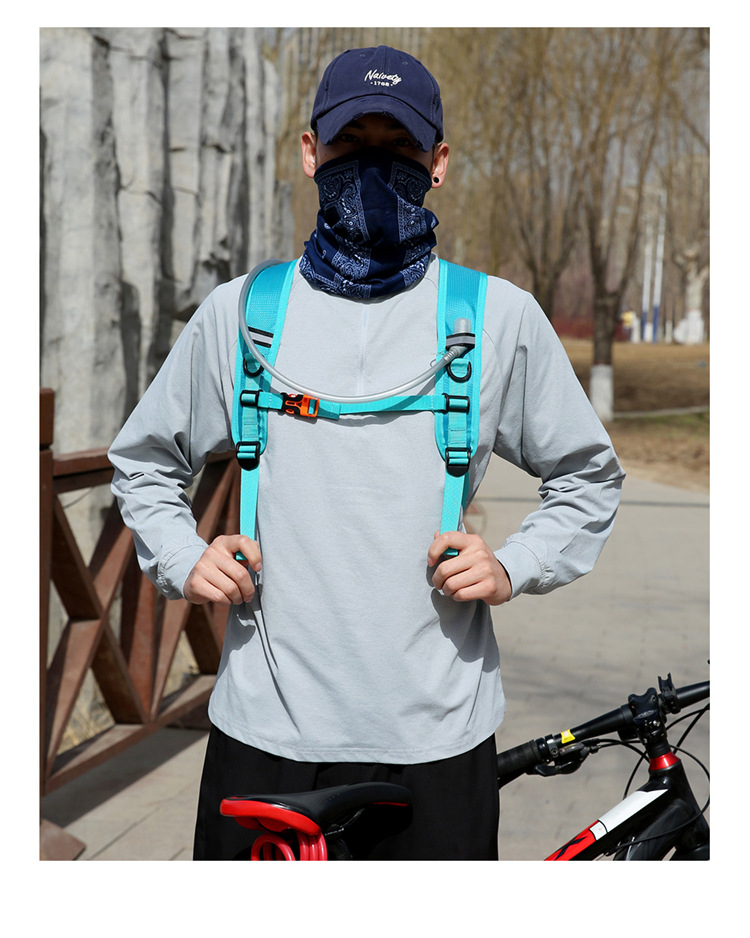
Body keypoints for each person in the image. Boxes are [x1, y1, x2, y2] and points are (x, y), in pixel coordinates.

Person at [109, 45, 624, 860]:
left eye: (399, 146)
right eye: (351, 142)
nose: (374, 164)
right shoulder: (240, 315)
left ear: (438, 163)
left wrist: (515, 564)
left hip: (438, 739)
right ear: (310, 152)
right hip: (265, 732)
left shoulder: (499, 317)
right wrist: (180, 554)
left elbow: (589, 475)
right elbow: (144, 461)